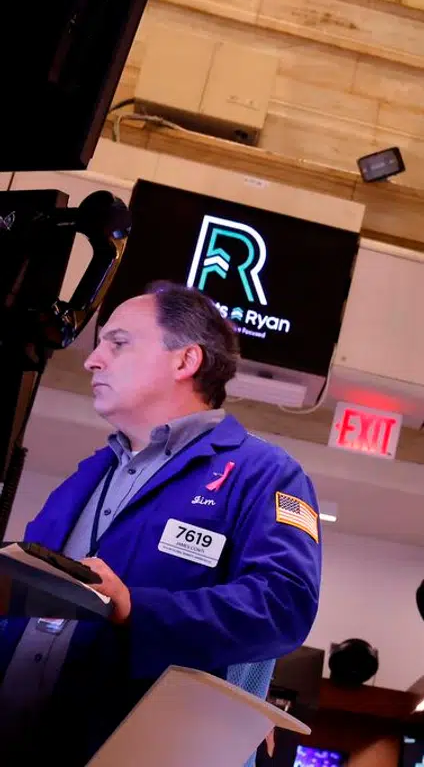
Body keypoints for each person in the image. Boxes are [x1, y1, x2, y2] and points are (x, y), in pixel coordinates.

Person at [0, 281, 324, 764]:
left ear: (184, 361)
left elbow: (285, 606)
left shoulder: (265, 474)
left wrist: (138, 609)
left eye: (119, 342)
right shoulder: (88, 475)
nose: (93, 360)